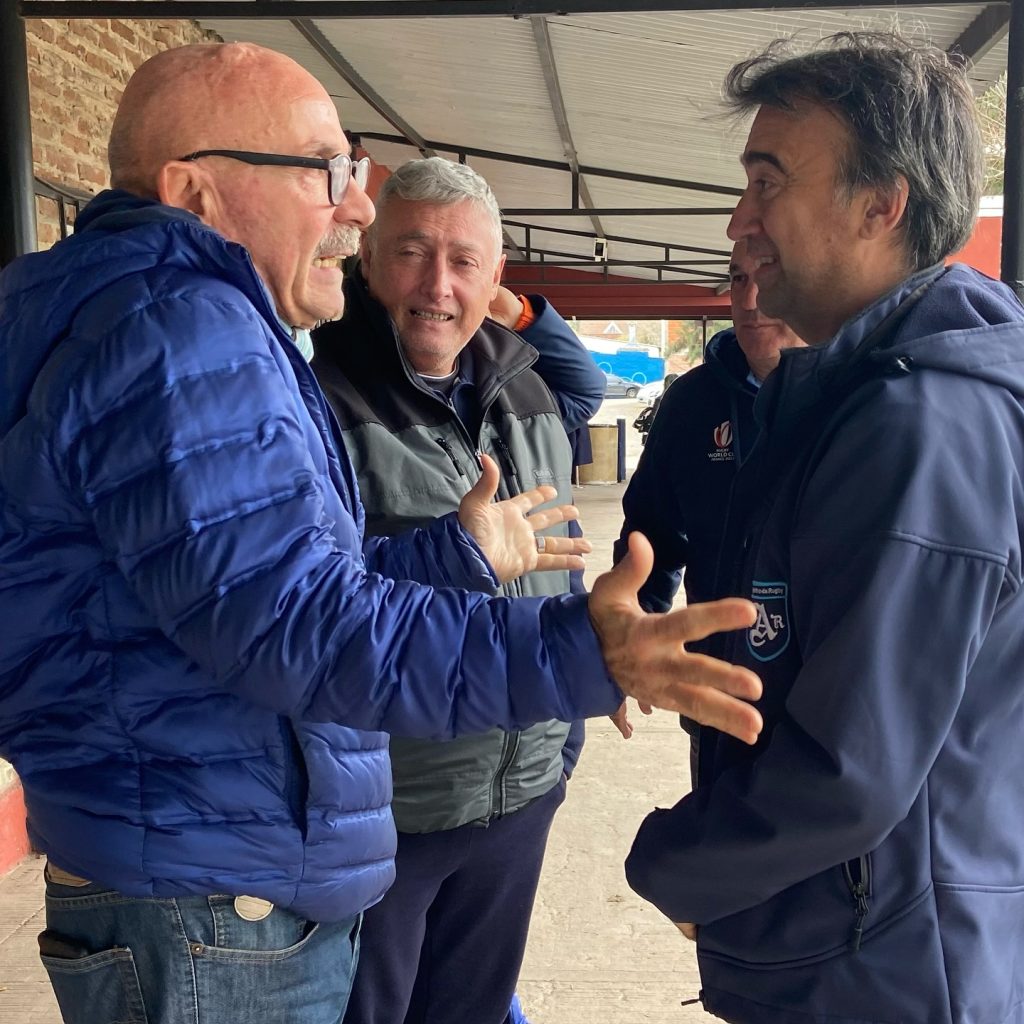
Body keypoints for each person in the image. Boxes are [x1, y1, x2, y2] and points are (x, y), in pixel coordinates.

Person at [0, 42, 764, 1024]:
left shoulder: (153, 315)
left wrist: (456, 558)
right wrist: (581, 654)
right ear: (194, 192)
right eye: (325, 171)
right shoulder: (179, 330)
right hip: (215, 893)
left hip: (215, 860)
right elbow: (299, 623)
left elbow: (267, 585)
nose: (356, 206)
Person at [625, 31, 1024, 1023]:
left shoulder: (917, 424)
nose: (739, 220)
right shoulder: (851, 397)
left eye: (767, 183)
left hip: (884, 967)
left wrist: (677, 864)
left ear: (880, 205)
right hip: (862, 944)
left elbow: (851, 768)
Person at [311, 156, 604, 1024]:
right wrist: (453, 553)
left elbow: (557, 570)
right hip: (389, 809)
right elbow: (297, 605)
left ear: (496, 277)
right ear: (368, 261)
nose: (437, 285)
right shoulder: (315, 396)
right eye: (411, 252)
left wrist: (578, 701)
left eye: (463, 260)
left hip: (521, 793)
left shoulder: (530, 391)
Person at [612, 238, 804, 746]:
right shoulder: (692, 402)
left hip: (825, 700)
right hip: (716, 692)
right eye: (738, 278)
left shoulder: (858, 398)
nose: (749, 299)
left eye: (768, 274)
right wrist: (633, 637)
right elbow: (651, 532)